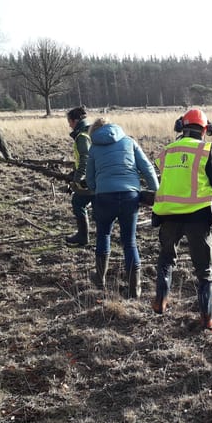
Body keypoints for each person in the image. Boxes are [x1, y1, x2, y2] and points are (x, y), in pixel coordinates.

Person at [151, 108, 212, 329]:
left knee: (166, 258)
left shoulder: (168, 150)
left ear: (181, 127)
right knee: (204, 269)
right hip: (197, 215)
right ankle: (207, 316)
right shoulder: (207, 150)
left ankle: (160, 301)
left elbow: (166, 175)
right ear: (206, 129)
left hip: (167, 213)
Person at [86, 117, 159, 298]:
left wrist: (97, 189)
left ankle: (100, 280)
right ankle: (135, 289)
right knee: (129, 242)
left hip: (104, 197)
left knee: (103, 235)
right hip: (129, 196)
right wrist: (156, 191)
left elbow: (89, 179)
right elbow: (147, 168)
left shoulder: (94, 148)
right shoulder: (129, 142)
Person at [66, 106, 95, 246]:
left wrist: (77, 180)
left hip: (91, 178)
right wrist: (73, 173)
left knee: (78, 202)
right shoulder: (89, 132)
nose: (69, 125)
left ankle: (83, 237)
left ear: (75, 121)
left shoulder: (82, 137)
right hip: (97, 176)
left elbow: (85, 158)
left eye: (69, 121)